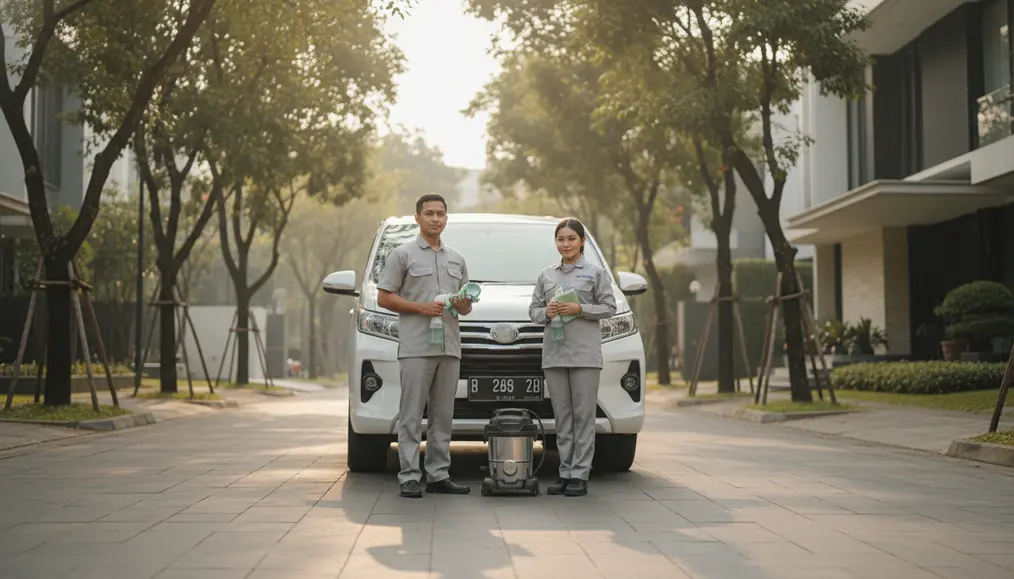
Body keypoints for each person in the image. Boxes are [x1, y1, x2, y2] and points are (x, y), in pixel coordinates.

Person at [377, 194, 474, 498]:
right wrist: (421, 308)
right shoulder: (402, 255)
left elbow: (467, 308)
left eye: (441, 214)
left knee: (443, 416)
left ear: (447, 218)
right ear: (417, 218)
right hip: (417, 347)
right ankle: (408, 475)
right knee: (411, 414)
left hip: (449, 347)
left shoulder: (457, 259)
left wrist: (461, 302)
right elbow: (384, 297)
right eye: (429, 213)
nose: (435, 219)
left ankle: (438, 474)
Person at [528, 218, 617, 497]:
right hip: (554, 354)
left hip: (585, 355)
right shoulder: (546, 275)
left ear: (582, 242)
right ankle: (565, 473)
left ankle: (580, 474)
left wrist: (579, 309)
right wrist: (547, 313)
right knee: (562, 417)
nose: (565, 244)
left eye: (571, 239)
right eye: (561, 239)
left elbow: (609, 307)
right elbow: (533, 310)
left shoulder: (595, 273)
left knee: (583, 416)